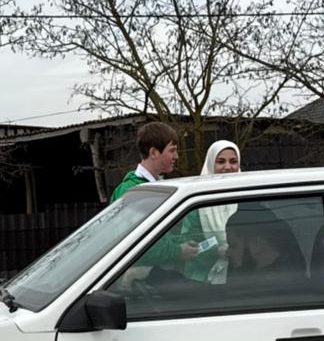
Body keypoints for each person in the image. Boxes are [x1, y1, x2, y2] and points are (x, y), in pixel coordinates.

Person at [110, 121, 199, 269]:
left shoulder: (153, 187)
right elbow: (135, 244)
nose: (176, 156)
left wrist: (178, 243)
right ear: (153, 153)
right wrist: (177, 251)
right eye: (172, 150)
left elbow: (158, 235)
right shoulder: (134, 192)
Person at [224, 202, 307, 302]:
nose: (227, 253)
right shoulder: (282, 276)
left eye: (233, 246)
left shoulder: (268, 290)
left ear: (256, 244)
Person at [185, 139, 243, 282]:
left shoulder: (249, 197)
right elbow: (187, 243)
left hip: (243, 275)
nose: (228, 167)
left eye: (233, 161)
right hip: (203, 279)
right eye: (221, 162)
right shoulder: (196, 201)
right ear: (211, 164)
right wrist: (216, 251)